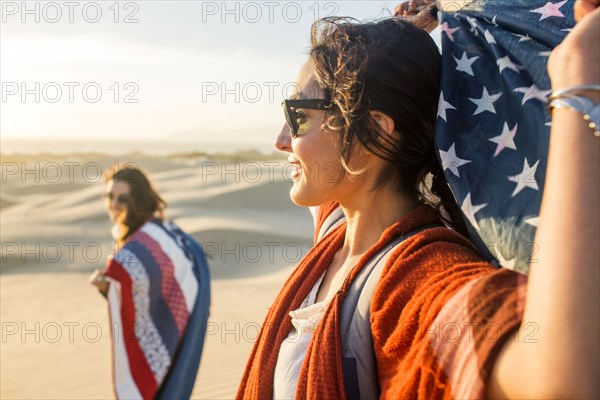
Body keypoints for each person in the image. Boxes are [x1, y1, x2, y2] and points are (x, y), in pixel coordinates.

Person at [236, 1, 598, 398]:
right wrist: (401, 36)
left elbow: (557, 382)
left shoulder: (415, 280)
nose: (281, 139)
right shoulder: (338, 234)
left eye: (298, 115)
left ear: (377, 132)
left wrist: (580, 90)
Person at [89, 164, 211, 400]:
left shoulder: (151, 238)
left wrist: (116, 281)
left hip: (178, 334)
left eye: (122, 199)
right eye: (109, 196)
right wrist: (111, 289)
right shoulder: (154, 231)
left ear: (139, 200)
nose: (114, 205)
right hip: (178, 330)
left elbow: (161, 287)